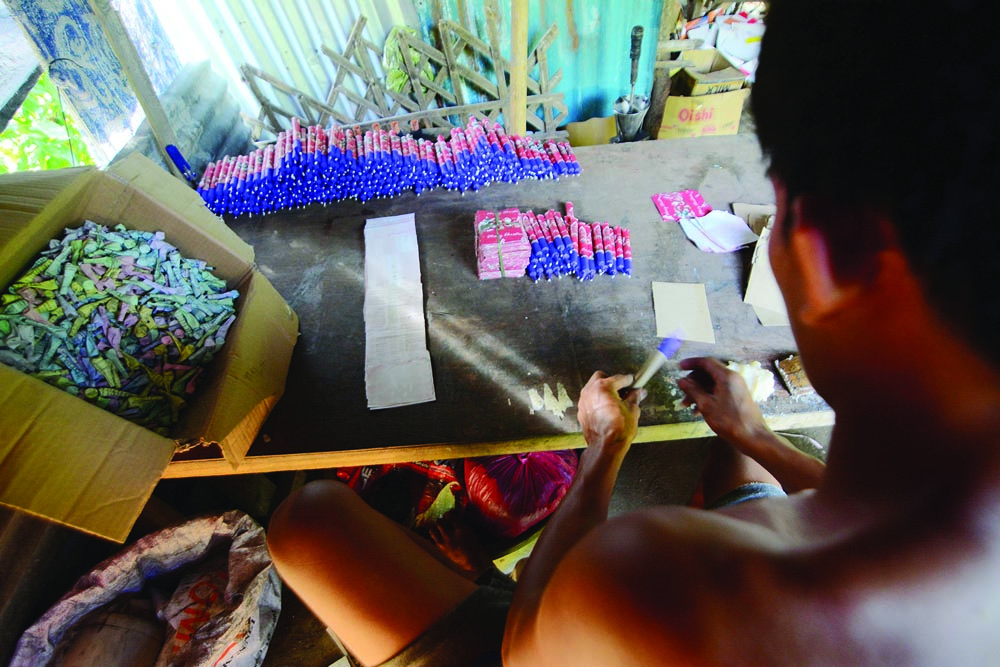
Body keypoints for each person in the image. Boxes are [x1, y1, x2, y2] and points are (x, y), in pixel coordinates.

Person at [269, 1, 1000, 664]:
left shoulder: (651, 581)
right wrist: (758, 439)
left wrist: (602, 454)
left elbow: (526, 645)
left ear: (822, 252)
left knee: (305, 522)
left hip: (543, 639)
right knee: (736, 472)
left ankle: (476, 568)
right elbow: (868, 506)